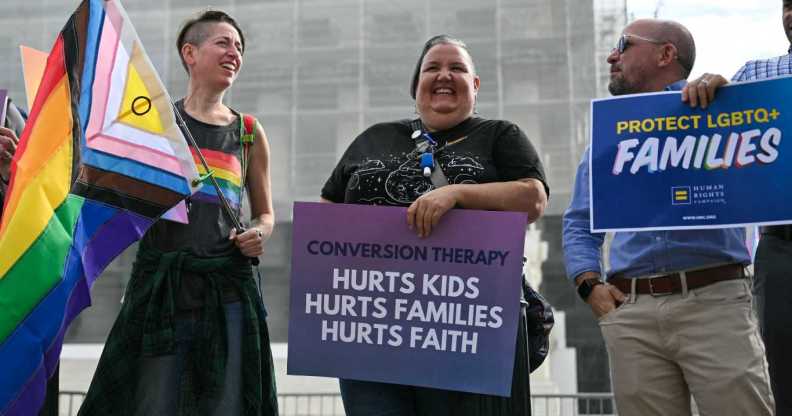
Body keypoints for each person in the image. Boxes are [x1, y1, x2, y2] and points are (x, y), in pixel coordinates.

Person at [321, 34, 550, 416]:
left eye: (457, 68)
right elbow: (329, 209)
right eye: (433, 68)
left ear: (475, 86)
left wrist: (457, 194)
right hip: (373, 327)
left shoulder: (500, 135)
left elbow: (533, 198)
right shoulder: (373, 138)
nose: (444, 75)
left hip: (464, 326)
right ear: (416, 86)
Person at [562, 19, 774, 416]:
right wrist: (590, 287)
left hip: (714, 303)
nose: (611, 55)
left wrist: (731, 100)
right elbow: (579, 222)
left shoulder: (717, 112)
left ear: (666, 54)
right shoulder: (609, 139)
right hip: (632, 310)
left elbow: (761, 166)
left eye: (623, 45)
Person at [79, 10, 278, 416]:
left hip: (228, 293)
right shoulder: (156, 125)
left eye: (239, 47)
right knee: (152, 402)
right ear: (190, 52)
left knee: (228, 404)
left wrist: (260, 232)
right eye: (223, 43)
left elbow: (265, 215)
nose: (234, 53)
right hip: (161, 291)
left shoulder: (248, 132)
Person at [680, 3, 792, 413]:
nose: (791, 15)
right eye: (786, 6)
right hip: (782, 248)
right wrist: (713, 91)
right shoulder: (755, 76)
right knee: (784, 375)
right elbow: (715, 142)